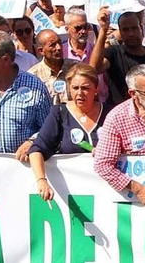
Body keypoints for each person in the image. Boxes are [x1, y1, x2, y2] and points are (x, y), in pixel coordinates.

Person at [93, 64, 145, 213]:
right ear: (133, 93)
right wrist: (139, 190)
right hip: (136, 206)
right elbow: (102, 165)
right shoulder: (117, 118)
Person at [23, 62, 106, 200]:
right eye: (75, 88)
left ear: (96, 89)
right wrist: (42, 181)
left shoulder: (110, 113)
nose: (80, 93)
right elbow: (37, 150)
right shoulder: (59, 113)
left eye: (85, 88)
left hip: (106, 190)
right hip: (72, 193)